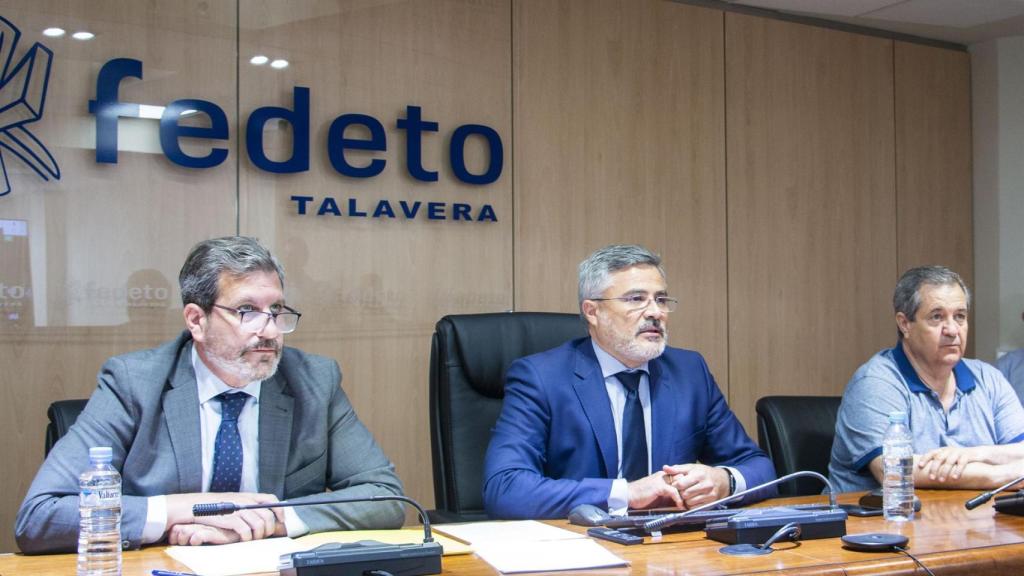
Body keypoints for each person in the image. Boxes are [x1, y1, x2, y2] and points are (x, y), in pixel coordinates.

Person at [16, 237, 404, 554]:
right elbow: (40, 515)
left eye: (277, 310)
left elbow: (385, 497)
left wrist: (270, 517)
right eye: (247, 310)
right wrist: (178, 511)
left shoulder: (314, 381)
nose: (268, 330)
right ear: (196, 321)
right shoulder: (134, 383)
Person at [483, 244, 776, 519]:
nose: (655, 312)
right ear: (592, 311)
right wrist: (627, 493)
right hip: (583, 549)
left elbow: (760, 467)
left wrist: (723, 481)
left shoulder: (689, 372)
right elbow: (505, 488)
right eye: (636, 299)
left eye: (661, 299)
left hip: (674, 546)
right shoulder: (541, 377)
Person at [830, 265, 1024, 493]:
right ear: (905, 324)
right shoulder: (875, 382)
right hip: (880, 522)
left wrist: (972, 454)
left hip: (965, 520)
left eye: (960, 316)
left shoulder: (988, 378)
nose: (952, 330)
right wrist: (1003, 475)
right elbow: (893, 469)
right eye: (936, 317)